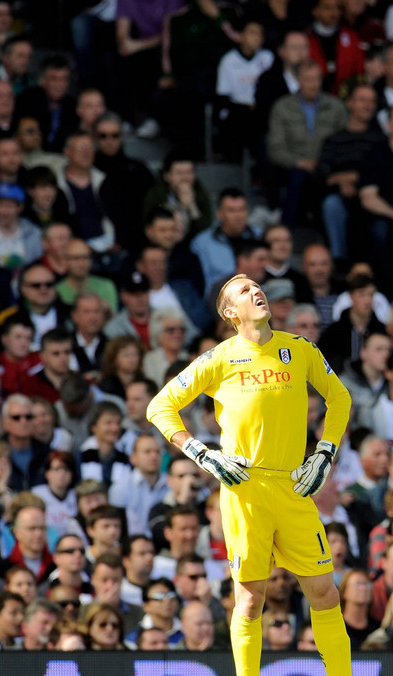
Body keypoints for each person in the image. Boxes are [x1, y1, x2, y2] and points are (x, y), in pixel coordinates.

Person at [146, 273, 353, 676]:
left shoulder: (299, 348)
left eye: (257, 286)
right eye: (244, 291)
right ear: (229, 312)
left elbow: (339, 396)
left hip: (295, 485)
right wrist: (201, 453)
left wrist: (325, 451)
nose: (256, 291)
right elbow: (160, 406)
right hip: (246, 489)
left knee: (326, 594)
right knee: (250, 601)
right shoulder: (219, 358)